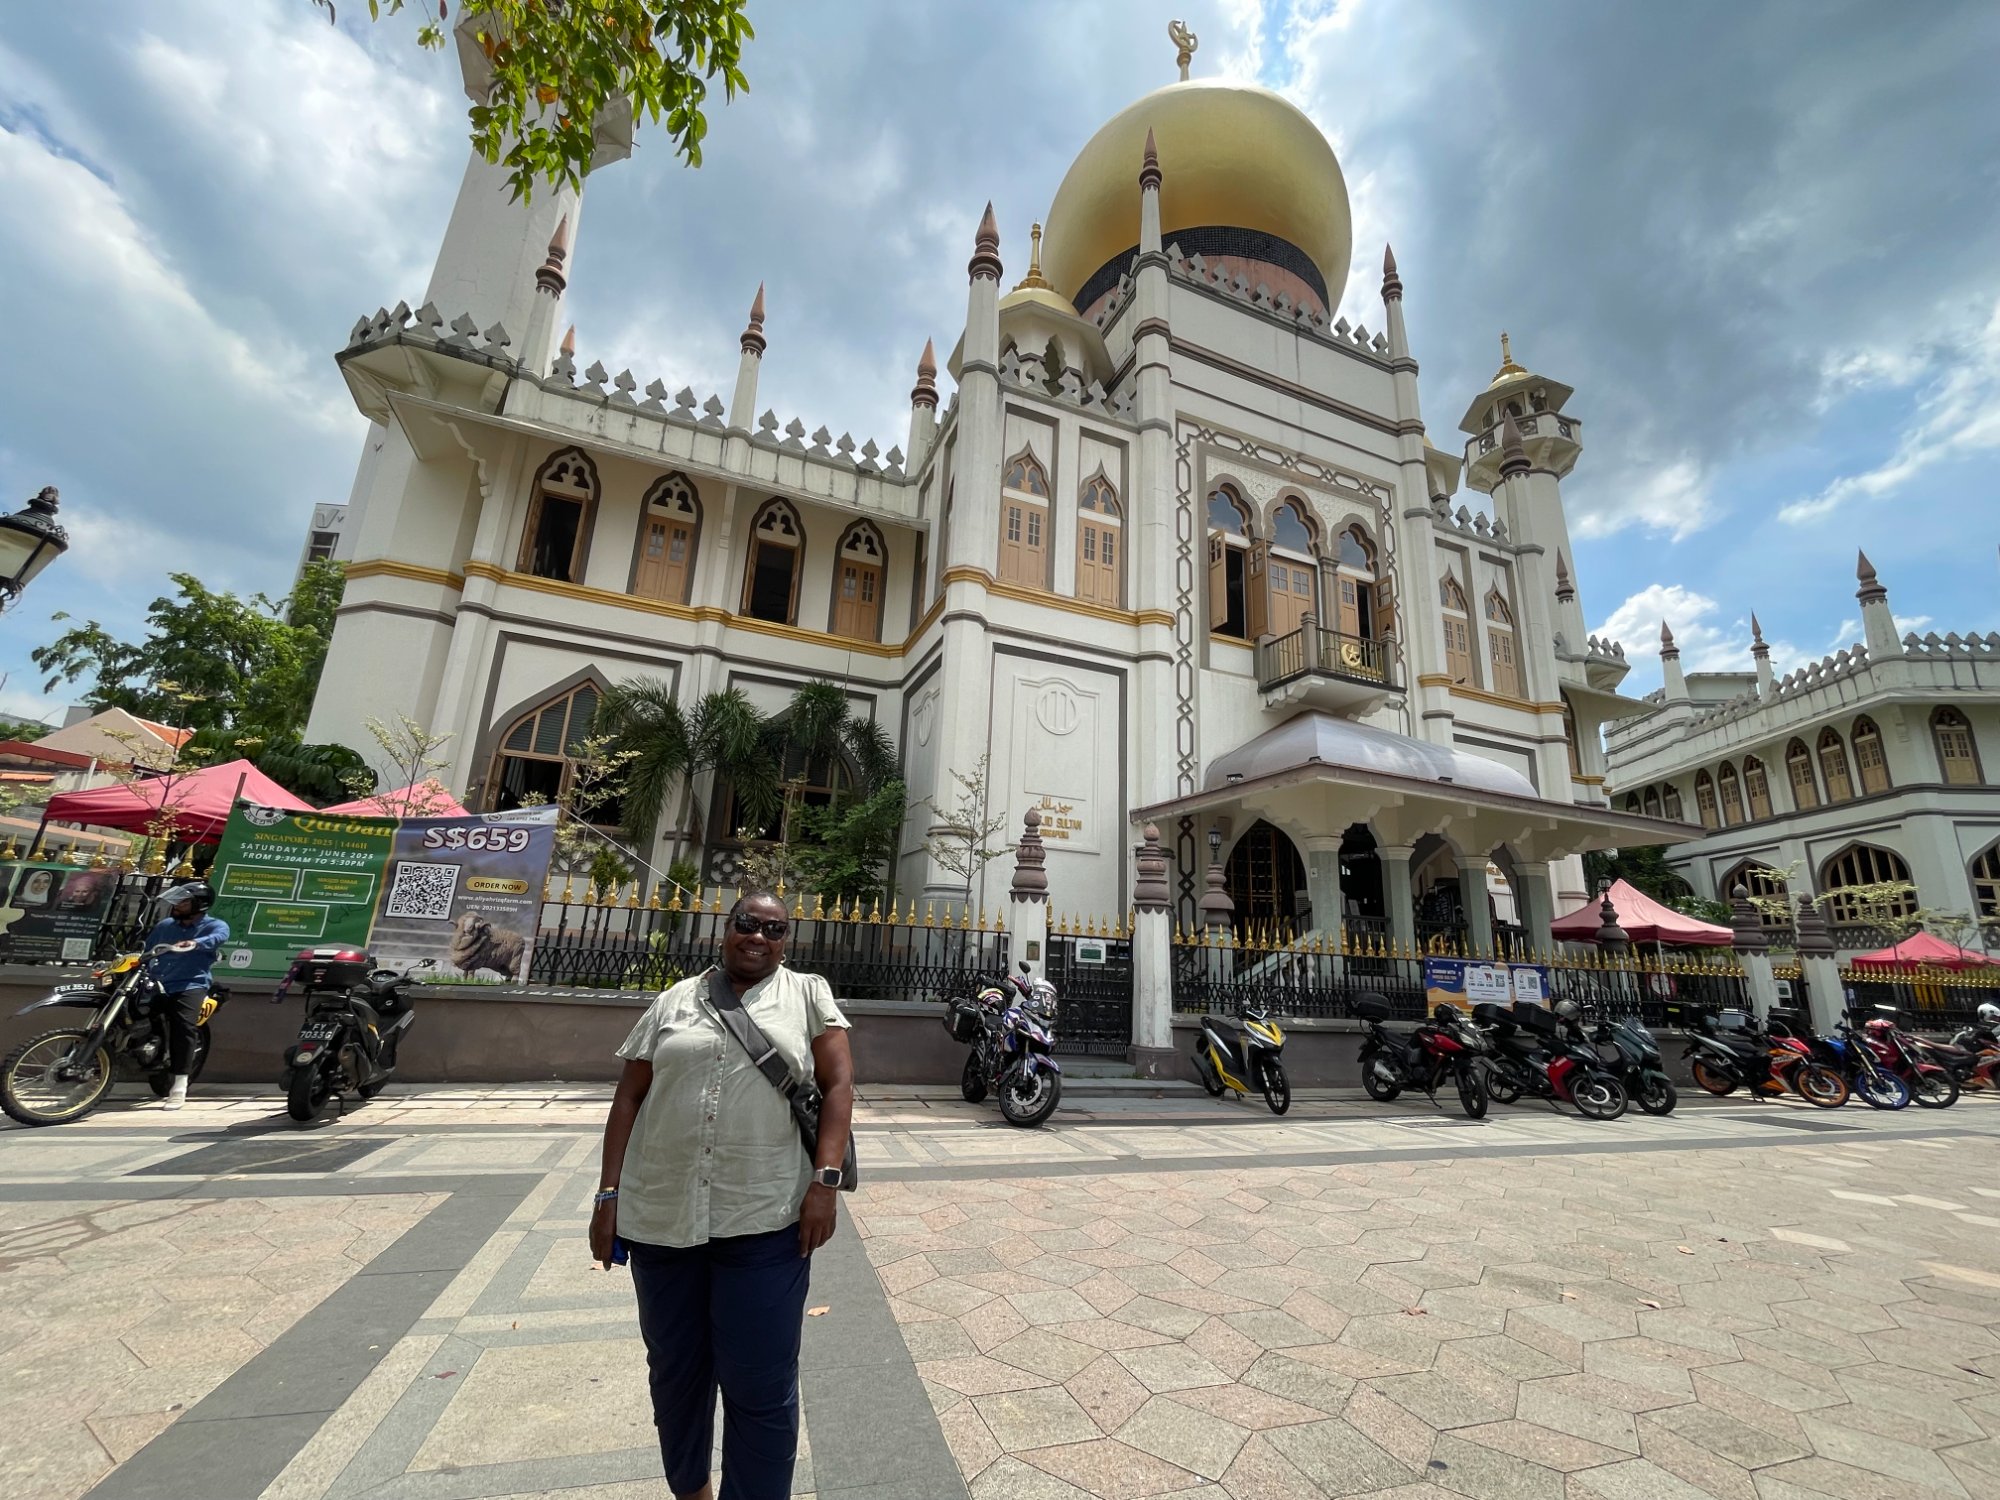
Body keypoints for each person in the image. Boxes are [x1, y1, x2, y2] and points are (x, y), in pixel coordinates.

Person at [591, 890, 855, 1500]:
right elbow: (628, 1097)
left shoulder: (808, 994)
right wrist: (609, 1197)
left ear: (787, 940)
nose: (758, 937)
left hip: (765, 1220)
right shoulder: (674, 1001)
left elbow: (839, 1085)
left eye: (775, 929)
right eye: (746, 924)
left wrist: (826, 1181)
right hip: (662, 1221)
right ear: (725, 928)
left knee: (760, 1385)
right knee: (676, 1377)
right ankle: (691, 1490)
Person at [142, 880, 228, 1110]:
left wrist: (195, 943)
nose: (177, 906)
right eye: (177, 901)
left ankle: (179, 1085)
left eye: (183, 902)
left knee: (183, 1027)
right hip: (158, 982)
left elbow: (218, 938)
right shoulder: (165, 926)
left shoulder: (214, 925)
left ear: (199, 904)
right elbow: (146, 951)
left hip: (189, 984)